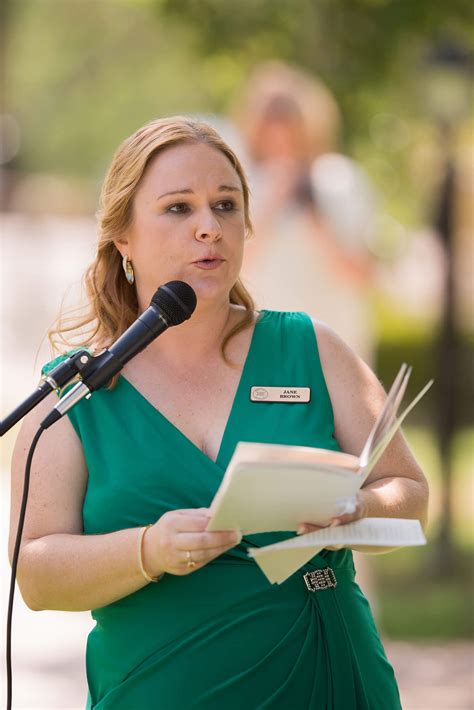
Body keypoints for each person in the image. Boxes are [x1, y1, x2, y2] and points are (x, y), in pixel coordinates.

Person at [9, 116, 428, 710]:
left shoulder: (313, 349)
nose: (209, 228)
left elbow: (409, 493)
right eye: (179, 208)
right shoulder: (76, 397)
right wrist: (149, 549)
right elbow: (36, 573)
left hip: (327, 680)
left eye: (226, 205)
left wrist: (355, 509)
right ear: (122, 237)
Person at [234, 61, 377, 364]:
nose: (278, 126)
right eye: (268, 114)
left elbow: (359, 272)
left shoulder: (339, 178)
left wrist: (312, 211)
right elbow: (234, 269)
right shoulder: (239, 184)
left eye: (286, 113)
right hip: (266, 351)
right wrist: (273, 203)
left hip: (338, 347)